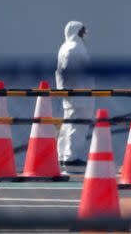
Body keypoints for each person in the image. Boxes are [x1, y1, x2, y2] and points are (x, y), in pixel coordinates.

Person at [56, 20, 95, 168]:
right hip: (79, 94)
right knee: (78, 125)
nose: (85, 34)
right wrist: (71, 89)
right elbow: (67, 71)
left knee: (69, 124)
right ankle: (72, 156)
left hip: (73, 94)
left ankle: (63, 154)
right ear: (77, 31)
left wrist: (64, 90)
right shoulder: (74, 48)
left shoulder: (66, 47)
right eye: (83, 31)